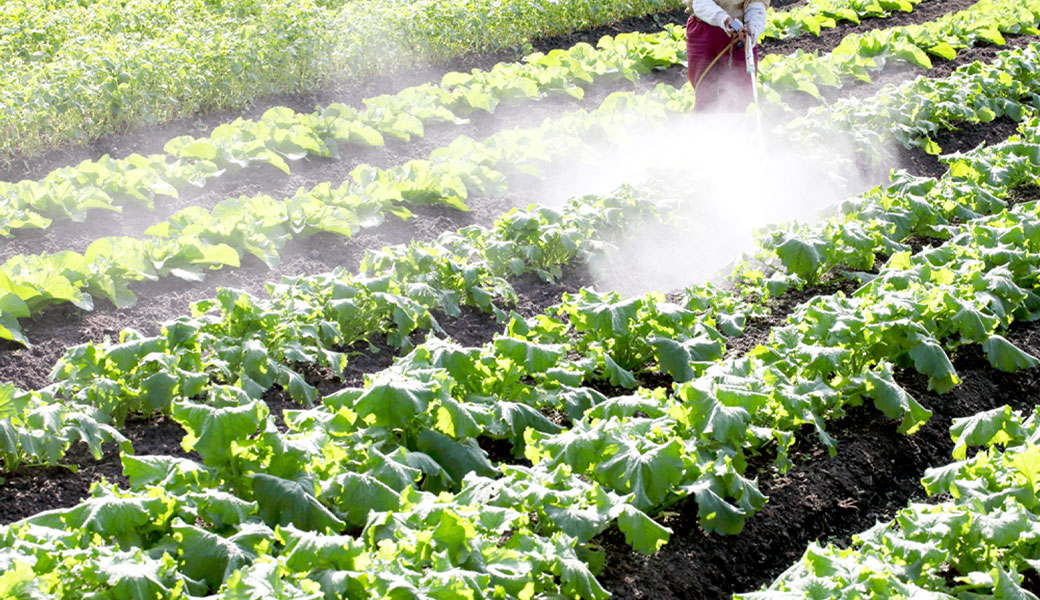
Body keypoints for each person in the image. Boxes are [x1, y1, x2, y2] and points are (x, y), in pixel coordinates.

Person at [684, 0, 769, 113]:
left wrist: (752, 28)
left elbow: (756, 3)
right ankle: (704, 128)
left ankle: (734, 127)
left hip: (740, 33)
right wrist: (724, 20)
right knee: (705, 94)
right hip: (705, 29)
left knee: (738, 94)